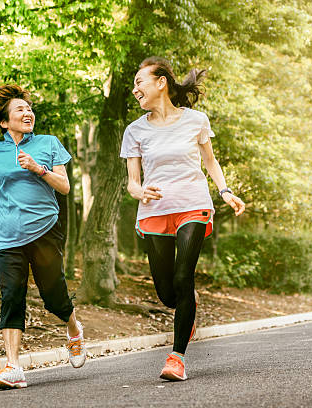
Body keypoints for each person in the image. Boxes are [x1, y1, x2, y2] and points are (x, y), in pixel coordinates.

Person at [120, 57, 245, 381]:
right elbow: (133, 181)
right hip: (155, 211)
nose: (135, 89)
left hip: (193, 204)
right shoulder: (134, 130)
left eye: (140, 81)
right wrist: (139, 191)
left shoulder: (196, 120)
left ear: (161, 82)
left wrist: (225, 191)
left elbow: (210, 161)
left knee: (182, 277)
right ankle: (189, 306)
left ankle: (176, 358)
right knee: (166, 292)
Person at [0, 84, 86, 390]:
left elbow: (64, 187)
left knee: (53, 296)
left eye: (29, 109)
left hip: (44, 230)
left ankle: (74, 329)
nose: (28, 113)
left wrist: (38, 169)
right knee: (11, 296)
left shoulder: (48, 143)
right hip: (7, 235)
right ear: (4, 122)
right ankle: (13, 366)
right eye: (20, 110)